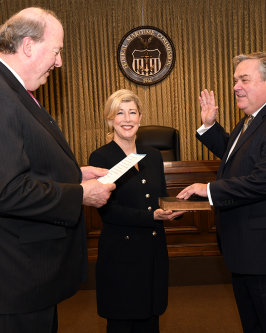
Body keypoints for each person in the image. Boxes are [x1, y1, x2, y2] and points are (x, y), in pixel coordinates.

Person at [0, 7, 115, 333]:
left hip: (20, 277)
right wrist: (80, 194)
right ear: (28, 46)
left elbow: (18, 162)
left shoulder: (3, 86)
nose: (59, 62)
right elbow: (7, 191)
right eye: (57, 51)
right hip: (8, 280)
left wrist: (73, 175)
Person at [177, 52, 266, 333]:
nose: (235, 87)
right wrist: (209, 127)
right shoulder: (251, 120)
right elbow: (240, 157)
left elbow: (265, 180)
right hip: (249, 253)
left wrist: (208, 190)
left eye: (244, 79)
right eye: (234, 80)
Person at [89, 89, 185, 333]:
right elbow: (108, 211)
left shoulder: (152, 155)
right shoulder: (101, 157)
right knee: (123, 322)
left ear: (141, 117)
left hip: (153, 253)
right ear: (110, 120)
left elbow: (160, 196)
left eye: (132, 112)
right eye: (120, 113)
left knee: (150, 322)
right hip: (122, 256)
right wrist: (151, 216)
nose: (127, 119)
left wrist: (178, 206)